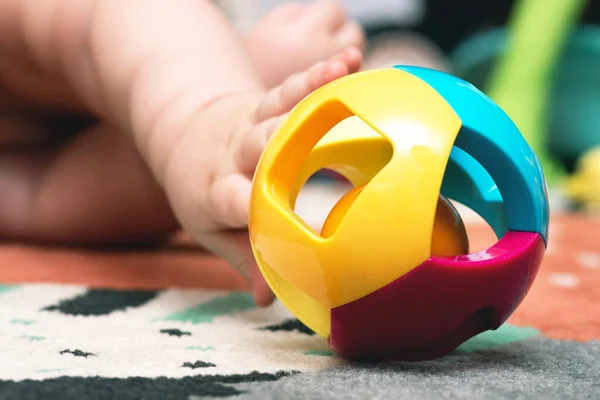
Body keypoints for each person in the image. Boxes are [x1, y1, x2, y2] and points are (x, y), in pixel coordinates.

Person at [0, 0, 364, 306]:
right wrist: (199, 168)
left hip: (158, 40)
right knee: (182, 151)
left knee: (153, 55)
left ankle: (217, 95)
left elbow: (113, 12)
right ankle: (235, 96)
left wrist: (198, 113)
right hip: (110, 105)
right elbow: (50, 198)